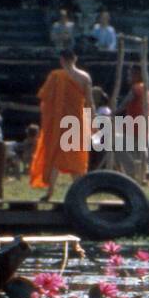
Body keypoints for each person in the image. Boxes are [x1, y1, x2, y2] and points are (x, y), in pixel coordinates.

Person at [30, 49, 92, 201]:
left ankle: (50, 192)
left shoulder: (56, 76)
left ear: (61, 60)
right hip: (76, 121)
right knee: (76, 158)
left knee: (56, 157)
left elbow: (45, 98)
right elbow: (90, 102)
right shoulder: (85, 77)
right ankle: (80, 194)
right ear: (75, 59)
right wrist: (93, 120)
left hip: (59, 122)